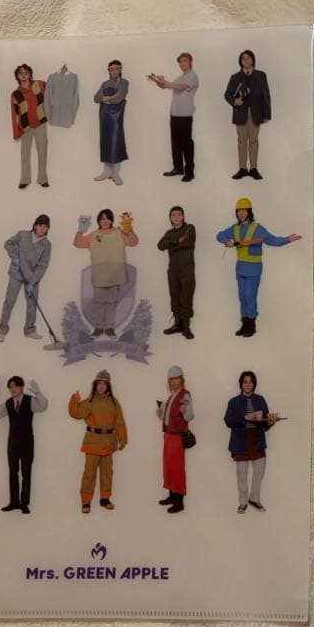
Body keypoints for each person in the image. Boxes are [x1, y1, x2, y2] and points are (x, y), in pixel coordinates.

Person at [215, 197, 302, 338]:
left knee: (250, 296)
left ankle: (251, 325)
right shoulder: (235, 228)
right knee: (242, 297)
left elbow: (273, 240)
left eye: (244, 210)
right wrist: (226, 241)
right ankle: (244, 324)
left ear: (249, 212)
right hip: (240, 269)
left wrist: (287, 239)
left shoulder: (257, 228)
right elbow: (219, 235)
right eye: (238, 211)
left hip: (253, 270)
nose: (241, 213)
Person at [224, 371, 284, 514]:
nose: (248, 385)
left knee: (259, 472)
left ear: (254, 384)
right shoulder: (233, 401)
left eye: (250, 382)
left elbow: (265, 422)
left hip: (257, 440)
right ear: (241, 384)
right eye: (245, 382)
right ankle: (243, 502)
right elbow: (228, 421)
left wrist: (270, 422)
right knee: (242, 475)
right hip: (240, 441)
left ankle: (254, 499)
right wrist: (244, 418)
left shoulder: (260, 400)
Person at [68, 370, 127, 514]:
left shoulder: (114, 403)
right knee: (89, 473)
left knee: (107, 473)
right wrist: (74, 401)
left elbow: (119, 422)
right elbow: (76, 414)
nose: (101, 387)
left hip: (108, 442)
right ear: (95, 385)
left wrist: (122, 438)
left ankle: (105, 499)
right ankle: (86, 501)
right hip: (92, 442)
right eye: (99, 383)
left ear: (108, 386)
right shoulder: (89, 402)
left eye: (104, 384)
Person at [73, 208, 139, 338]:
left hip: (115, 274)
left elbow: (133, 242)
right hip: (100, 275)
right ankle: (98, 328)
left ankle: (109, 328)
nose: (105, 221)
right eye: (102, 218)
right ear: (99, 220)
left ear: (111, 220)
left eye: (108, 218)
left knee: (111, 302)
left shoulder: (118, 232)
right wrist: (80, 230)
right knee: (99, 302)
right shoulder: (94, 235)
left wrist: (129, 229)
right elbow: (77, 243)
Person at [0, 376, 48, 514]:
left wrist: (38, 392)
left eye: (15, 386)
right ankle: (14, 502)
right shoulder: (9, 403)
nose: (13, 389)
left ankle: (24, 503)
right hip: (13, 442)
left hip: (27, 441)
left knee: (26, 472)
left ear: (21, 387)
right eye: (10, 387)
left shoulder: (30, 400)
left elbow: (43, 406)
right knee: (13, 472)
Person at [0, 214, 52, 343]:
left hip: (32, 277)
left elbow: (43, 265)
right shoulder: (22, 235)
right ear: (35, 226)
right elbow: (8, 243)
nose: (43, 229)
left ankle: (29, 330)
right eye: (41, 226)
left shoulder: (47, 244)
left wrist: (33, 281)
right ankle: (2, 330)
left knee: (32, 304)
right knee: (9, 301)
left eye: (46, 227)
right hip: (17, 273)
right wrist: (14, 255)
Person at [148, 52, 198, 182]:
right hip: (175, 114)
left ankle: (190, 172)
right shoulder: (180, 77)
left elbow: (181, 87)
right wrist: (157, 80)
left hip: (185, 114)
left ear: (190, 62)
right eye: (180, 61)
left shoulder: (192, 76)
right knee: (175, 143)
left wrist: (167, 82)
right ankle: (178, 168)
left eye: (185, 61)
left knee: (186, 144)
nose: (182, 63)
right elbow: (165, 86)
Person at [224, 49, 271, 180]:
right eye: (243, 58)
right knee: (241, 141)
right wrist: (235, 101)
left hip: (256, 113)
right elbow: (227, 94)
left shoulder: (261, 75)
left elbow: (266, 95)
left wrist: (266, 114)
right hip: (240, 113)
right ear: (240, 61)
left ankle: (253, 169)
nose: (246, 60)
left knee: (254, 141)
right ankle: (242, 169)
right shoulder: (235, 77)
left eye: (248, 58)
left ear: (253, 60)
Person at [156, 365, 194, 514]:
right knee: (168, 466)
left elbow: (189, 416)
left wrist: (184, 411)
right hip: (168, 435)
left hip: (177, 436)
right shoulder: (171, 396)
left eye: (176, 378)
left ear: (181, 379)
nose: (174, 382)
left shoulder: (185, 395)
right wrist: (160, 413)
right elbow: (167, 417)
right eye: (171, 379)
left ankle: (179, 502)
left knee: (177, 468)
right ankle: (172, 495)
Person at [156, 205, 196, 339]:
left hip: (187, 269)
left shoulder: (190, 228)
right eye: (173, 215)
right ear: (170, 218)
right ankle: (177, 324)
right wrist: (176, 241)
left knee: (186, 297)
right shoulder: (169, 233)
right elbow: (160, 246)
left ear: (183, 216)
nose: (176, 217)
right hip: (173, 270)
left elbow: (187, 243)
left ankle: (186, 327)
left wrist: (171, 245)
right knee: (174, 296)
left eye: (179, 214)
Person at [10, 63, 49, 189]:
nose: (23, 75)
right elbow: (15, 113)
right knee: (25, 154)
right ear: (17, 75)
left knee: (42, 152)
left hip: (40, 123)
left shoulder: (40, 84)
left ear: (30, 74)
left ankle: (42, 179)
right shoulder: (15, 94)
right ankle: (25, 179)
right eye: (21, 73)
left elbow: (53, 89)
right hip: (25, 127)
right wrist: (16, 131)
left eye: (26, 72)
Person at [93, 60, 129, 185]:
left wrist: (106, 99)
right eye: (112, 69)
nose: (114, 71)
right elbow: (96, 98)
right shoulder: (105, 83)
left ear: (120, 70)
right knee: (106, 141)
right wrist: (110, 97)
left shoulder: (123, 82)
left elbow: (120, 97)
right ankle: (106, 172)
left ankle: (116, 174)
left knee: (115, 141)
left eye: (117, 69)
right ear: (109, 71)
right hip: (104, 116)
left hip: (116, 116)